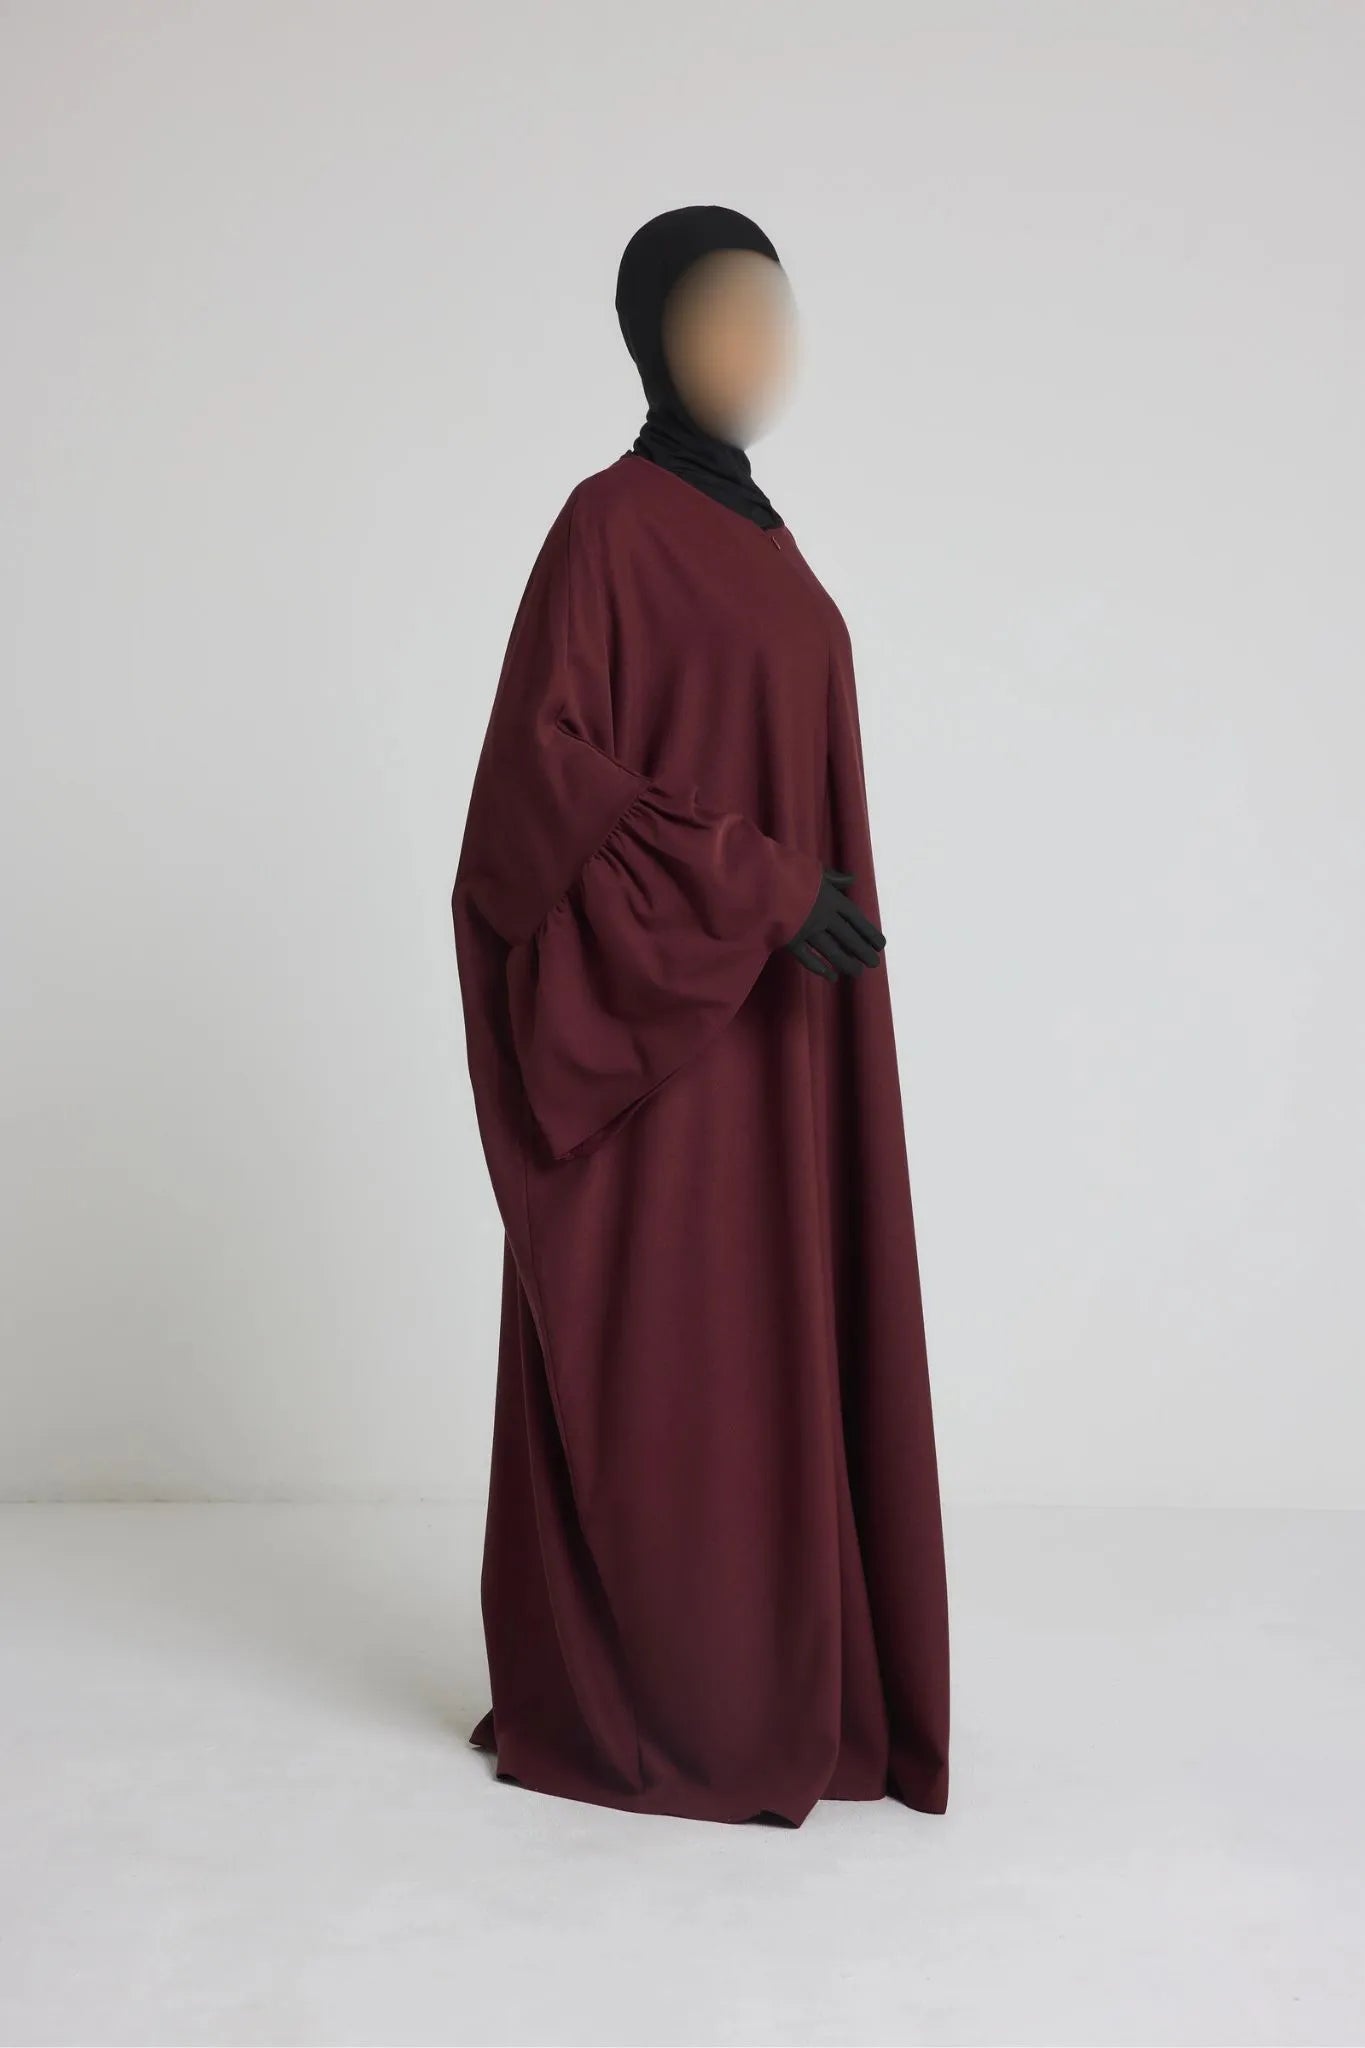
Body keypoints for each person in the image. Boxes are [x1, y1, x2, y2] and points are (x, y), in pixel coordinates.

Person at [450, 204, 950, 1827]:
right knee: (680, 1351)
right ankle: (674, 1691)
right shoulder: (607, 525)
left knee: (786, 1329)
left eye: (775, 315)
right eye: (724, 315)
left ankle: (798, 1677)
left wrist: (794, 908)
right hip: (663, 1044)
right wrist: (754, 886)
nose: (760, 348)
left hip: (783, 1031)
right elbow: (536, 790)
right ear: (649, 337)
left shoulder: (768, 538)